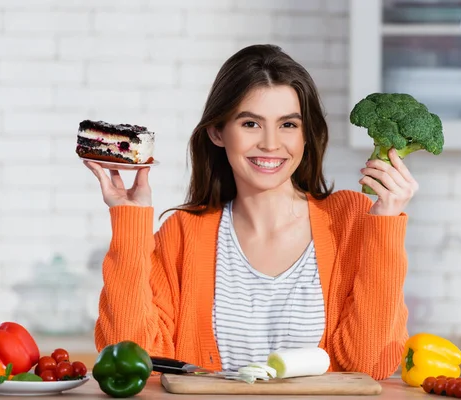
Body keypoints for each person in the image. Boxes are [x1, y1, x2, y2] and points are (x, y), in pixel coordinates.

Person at [84, 44, 418, 380]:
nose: (271, 144)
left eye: (288, 125)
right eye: (250, 124)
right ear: (218, 132)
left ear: (306, 135)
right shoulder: (183, 234)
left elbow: (371, 365)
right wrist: (129, 222)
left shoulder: (353, 221)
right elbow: (130, 363)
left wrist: (386, 226)